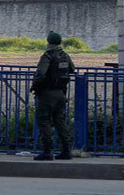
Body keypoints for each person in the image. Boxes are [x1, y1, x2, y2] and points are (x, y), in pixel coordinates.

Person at [30, 31, 75, 161]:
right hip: (61, 93)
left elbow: (40, 73)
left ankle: (47, 151)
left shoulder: (48, 56)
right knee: (60, 121)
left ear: (49, 42)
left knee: (44, 121)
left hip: (47, 93)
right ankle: (66, 151)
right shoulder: (65, 56)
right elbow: (72, 69)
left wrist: (35, 86)